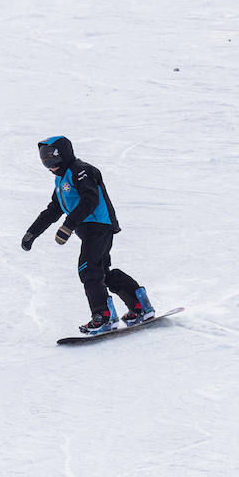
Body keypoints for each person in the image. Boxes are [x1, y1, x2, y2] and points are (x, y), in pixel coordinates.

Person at [21, 136, 155, 334]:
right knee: (102, 272)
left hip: (98, 225)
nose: (48, 163)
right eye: (44, 158)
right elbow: (53, 210)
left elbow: (90, 200)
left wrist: (68, 226)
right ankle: (139, 306)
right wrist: (32, 233)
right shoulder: (61, 180)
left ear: (63, 154)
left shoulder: (80, 170)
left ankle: (103, 316)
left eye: (50, 157)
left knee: (88, 269)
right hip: (91, 229)